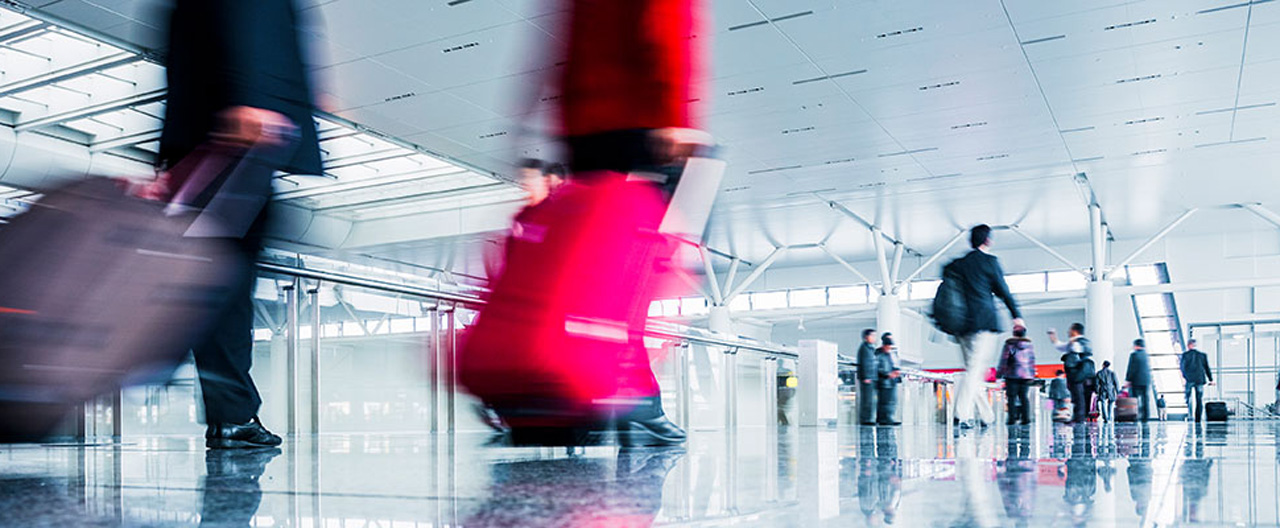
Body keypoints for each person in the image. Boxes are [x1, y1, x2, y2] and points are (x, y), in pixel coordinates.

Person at [159, 0, 323, 449]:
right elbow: (246, 14)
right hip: (237, 135)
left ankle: (230, 412)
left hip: (208, 136)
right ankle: (229, 412)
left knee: (218, 284)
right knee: (225, 285)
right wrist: (252, 98)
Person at [951, 224, 1023, 430]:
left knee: (974, 370)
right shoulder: (989, 262)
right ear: (988, 241)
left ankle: (987, 415)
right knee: (975, 370)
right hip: (983, 323)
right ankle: (961, 414)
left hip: (961, 326)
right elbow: (1003, 290)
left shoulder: (958, 264)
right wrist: (1016, 315)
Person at [1050, 323, 1096, 424]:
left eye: (1070, 330)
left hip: (1078, 373)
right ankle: (1082, 417)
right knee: (1085, 396)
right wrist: (1054, 339)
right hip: (1088, 372)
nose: (1068, 332)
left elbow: (1066, 349)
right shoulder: (1087, 343)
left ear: (1075, 331)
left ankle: (1079, 418)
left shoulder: (1075, 343)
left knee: (1078, 396)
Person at [996, 325, 1036, 426]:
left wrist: (999, 374)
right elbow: (1032, 361)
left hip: (1012, 374)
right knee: (1024, 397)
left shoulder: (1010, 345)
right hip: (1025, 376)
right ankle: (1026, 419)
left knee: (1011, 398)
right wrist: (1031, 375)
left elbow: (1004, 360)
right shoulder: (1029, 345)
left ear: (1014, 333)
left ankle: (1012, 419)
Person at [1180, 339, 1214, 422]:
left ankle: (1188, 415)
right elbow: (1207, 368)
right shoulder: (1202, 355)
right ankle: (1198, 418)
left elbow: (1182, 367)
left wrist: (1185, 377)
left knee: (1188, 397)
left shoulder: (1185, 355)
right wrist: (1211, 379)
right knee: (1199, 399)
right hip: (1199, 379)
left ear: (1189, 345)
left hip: (1189, 379)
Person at [875, 334, 903, 426]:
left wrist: (897, 372)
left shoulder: (893, 353)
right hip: (884, 381)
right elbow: (877, 367)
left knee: (892, 401)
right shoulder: (878, 354)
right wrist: (887, 374)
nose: (889, 348)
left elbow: (896, 364)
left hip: (892, 381)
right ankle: (884, 419)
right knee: (884, 401)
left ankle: (889, 417)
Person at [1125, 339, 1153, 422]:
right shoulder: (1146, 355)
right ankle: (1146, 417)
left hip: (1136, 381)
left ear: (1137, 345)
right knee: (1145, 399)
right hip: (1146, 381)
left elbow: (1131, 368)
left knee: (1134, 400)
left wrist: (1128, 380)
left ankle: (1135, 416)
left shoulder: (1134, 355)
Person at [856, 329, 879, 425]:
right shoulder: (864, 348)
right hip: (867, 378)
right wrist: (866, 376)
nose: (874, 338)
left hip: (872, 377)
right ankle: (866, 419)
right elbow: (864, 363)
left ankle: (870, 418)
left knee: (871, 400)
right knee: (867, 400)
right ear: (866, 337)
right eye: (872, 336)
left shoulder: (870, 348)